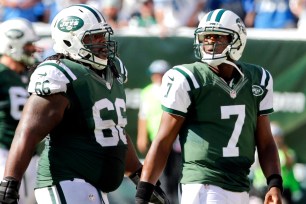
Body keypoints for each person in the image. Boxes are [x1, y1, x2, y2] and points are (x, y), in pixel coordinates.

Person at [0, 4, 168, 204]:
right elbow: (28, 131)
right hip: (67, 180)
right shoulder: (60, 74)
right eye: (93, 37)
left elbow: (115, 133)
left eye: (102, 35)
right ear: (69, 41)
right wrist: (10, 181)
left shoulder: (112, 72)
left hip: (92, 186)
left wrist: (139, 177)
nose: (102, 42)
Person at [135, 9, 283, 204]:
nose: (210, 43)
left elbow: (265, 142)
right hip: (203, 183)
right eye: (206, 37)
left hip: (240, 184)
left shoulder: (257, 79)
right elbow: (163, 140)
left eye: (217, 37)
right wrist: (143, 193)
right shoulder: (188, 78)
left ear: (236, 40)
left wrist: (274, 183)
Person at [0, 17, 41, 204]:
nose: (33, 49)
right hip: (4, 149)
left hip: (30, 152)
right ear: (12, 43)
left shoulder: (31, 73)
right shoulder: (1, 73)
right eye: (28, 45)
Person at [137, 59, 181, 204]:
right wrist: (141, 137)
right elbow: (143, 115)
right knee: (160, 174)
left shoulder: (173, 89)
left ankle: (172, 200)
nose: (158, 77)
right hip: (156, 138)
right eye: (155, 74)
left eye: (161, 74)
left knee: (173, 174)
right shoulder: (147, 92)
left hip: (172, 139)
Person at [251, 122, 303, 204]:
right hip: (260, 190)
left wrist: (281, 146)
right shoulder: (259, 152)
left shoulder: (287, 152)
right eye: (273, 136)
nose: (276, 138)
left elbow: (289, 163)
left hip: (281, 191)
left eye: (277, 136)